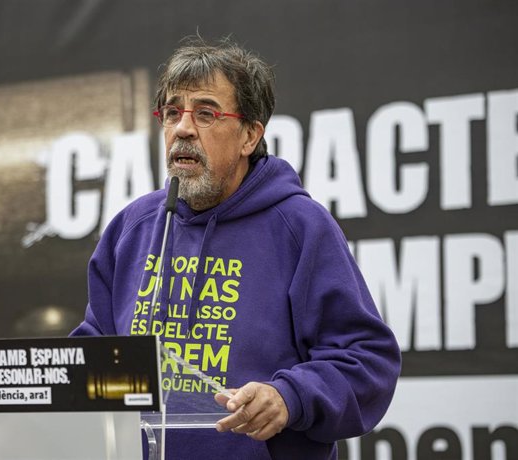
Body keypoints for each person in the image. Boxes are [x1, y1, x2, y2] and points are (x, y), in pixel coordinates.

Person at [71, 36, 401, 459]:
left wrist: (289, 397)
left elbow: (367, 359)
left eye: (206, 113)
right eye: (172, 112)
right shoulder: (131, 229)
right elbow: (94, 352)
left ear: (249, 135)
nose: (183, 128)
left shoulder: (300, 227)